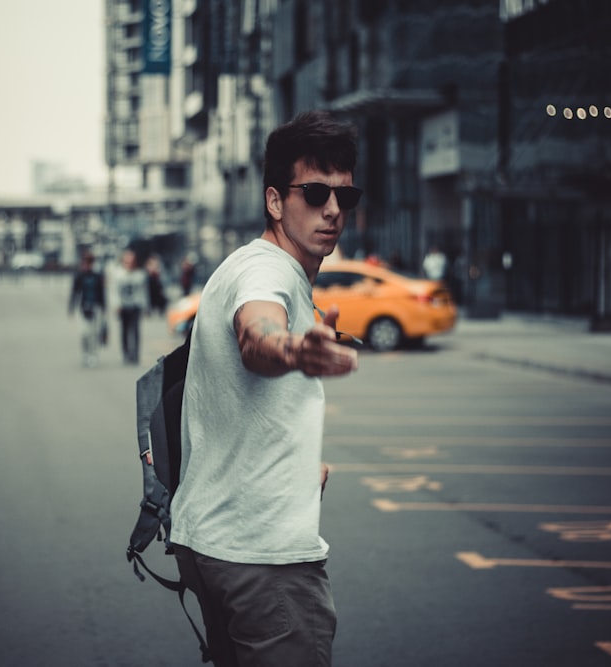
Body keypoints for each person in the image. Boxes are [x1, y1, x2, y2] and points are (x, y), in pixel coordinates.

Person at [169, 110, 361, 666]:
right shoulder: (266, 272)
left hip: (217, 542)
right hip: (261, 557)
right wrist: (295, 349)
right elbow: (258, 335)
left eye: (344, 198)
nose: (331, 210)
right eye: (315, 192)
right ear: (275, 201)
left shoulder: (254, 268)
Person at [68, 251, 106, 367]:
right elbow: (74, 292)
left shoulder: (97, 276)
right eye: (85, 262)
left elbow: (102, 293)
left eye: (90, 262)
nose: (87, 265)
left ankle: (93, 355)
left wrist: (104, 308)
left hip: (96, 307)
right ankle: (86, 354)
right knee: (85, 333)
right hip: (84, 307)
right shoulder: (80, 276)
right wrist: (71, 307)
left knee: (94, 334)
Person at [113, 249, 148, 365]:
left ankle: (135, 354)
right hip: (123, 306)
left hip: (135, 306)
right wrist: (117, 304)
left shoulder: (140, 275)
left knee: (135, 331)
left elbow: (144, 291)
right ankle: (126, 354)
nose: (129, 264)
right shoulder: (118, 275)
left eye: (131, 261)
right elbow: (115, 291)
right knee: (124, 331)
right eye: (126, 261)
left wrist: (145, 305)